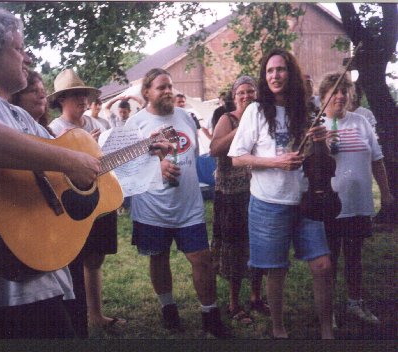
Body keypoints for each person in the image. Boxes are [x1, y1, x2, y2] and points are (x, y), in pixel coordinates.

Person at [0, 7, 101, 338]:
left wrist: (87, 165)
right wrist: (69, 161)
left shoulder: (18, 115)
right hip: (6, 282)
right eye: (18, 47)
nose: (26, 57)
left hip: (41, 261)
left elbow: (55, 170)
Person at [229, 48, 334, 339]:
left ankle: (327, 331)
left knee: (323, 265)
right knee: (276, 270)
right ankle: (278, 328)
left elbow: (319, 160)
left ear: (292, 73)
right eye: (270, 71)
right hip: (268, 204)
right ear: (265, 77)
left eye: (281, 69)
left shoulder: (307, 111)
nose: (275, 75)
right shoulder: (256, 110)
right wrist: (275, 161)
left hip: (305, 200)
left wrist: (321, 142)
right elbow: (237, 157)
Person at [125, 68, 229, 338]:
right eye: (161, 87)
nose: (168, 91)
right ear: (147, 92)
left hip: (188, 207)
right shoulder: (135, 125)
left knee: (201, 259)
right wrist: (155, 168)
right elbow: (123, 171)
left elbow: (192, 155)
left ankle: (210, 315)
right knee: (158, 258)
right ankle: (168, 307)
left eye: (170, 86)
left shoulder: (186, 118)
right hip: (151, 209)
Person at [47, 69, 127, 334]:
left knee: (96, 259)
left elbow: (112, 162)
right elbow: (52, 173)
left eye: (84, 95)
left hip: (102, 200)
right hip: (74, 205)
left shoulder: (100, 126)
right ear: (61, 100)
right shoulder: (53, 130)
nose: (82, 101)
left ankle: (96, 314)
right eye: (75, 96)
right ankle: (78, 315)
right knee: (75, 259)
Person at [318, 73, 394, 326]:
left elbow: (377, 160)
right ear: (323, 96)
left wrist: (385, 192)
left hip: (358, 204)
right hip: (329, 206)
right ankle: (327, 310)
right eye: (334, 91)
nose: (340, 96)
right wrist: (320, 145)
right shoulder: (316, 126)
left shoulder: (361, 122)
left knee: (354, 256)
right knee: (329, 261)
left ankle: (354, 302)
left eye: (344, 91)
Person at [209, 76, 269, 325]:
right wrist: (240, 128)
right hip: (231, 196)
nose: (246, 96)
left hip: (258, 192)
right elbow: (214, 149)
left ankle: (256, 296)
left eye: (251, 92)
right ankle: (234, 303)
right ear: (234, 97)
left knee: (257, 246)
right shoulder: (227, 118)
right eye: (241, 92)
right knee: (235, 249)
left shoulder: (264, 117)